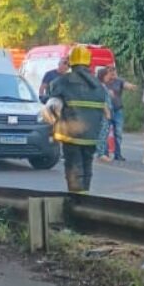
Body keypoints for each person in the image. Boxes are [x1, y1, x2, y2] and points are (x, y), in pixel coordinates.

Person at [48, 44, 109, 193]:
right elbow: (105, 112)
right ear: (88, 62)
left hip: (71, 135)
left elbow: (53, 105)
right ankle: (85, 198)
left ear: (71, 62)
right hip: (91, 137)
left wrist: (52, 127)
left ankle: (76, 203)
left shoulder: (63, 81)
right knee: (87, 168)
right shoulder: (98, 85)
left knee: (74, 169)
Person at [103, 65, 138, 161]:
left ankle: (117, 154)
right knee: (105, 132)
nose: (113, 72)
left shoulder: (119, 81)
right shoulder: (104, 82)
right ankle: (104, 153)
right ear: (107, 72)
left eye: (114, 70)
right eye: (110, 71)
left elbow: (126, 84)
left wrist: (131, 86)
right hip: (106, 110)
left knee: (118, 132)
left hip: (118, 109)